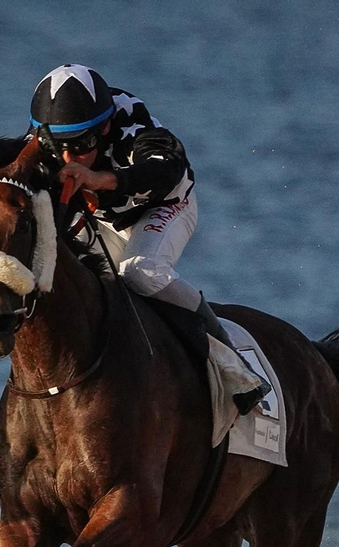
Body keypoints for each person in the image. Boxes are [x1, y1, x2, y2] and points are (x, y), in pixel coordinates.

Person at [27, 64, 270, 414]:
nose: (67, 158)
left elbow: (167, 167)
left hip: (163, 206)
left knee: (140, 273)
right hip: (103, 219)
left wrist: (99, 179)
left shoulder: (131, 120)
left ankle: (234, 368)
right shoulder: (42, 139)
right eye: (56, 146)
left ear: (105, 127)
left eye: (80, 145)